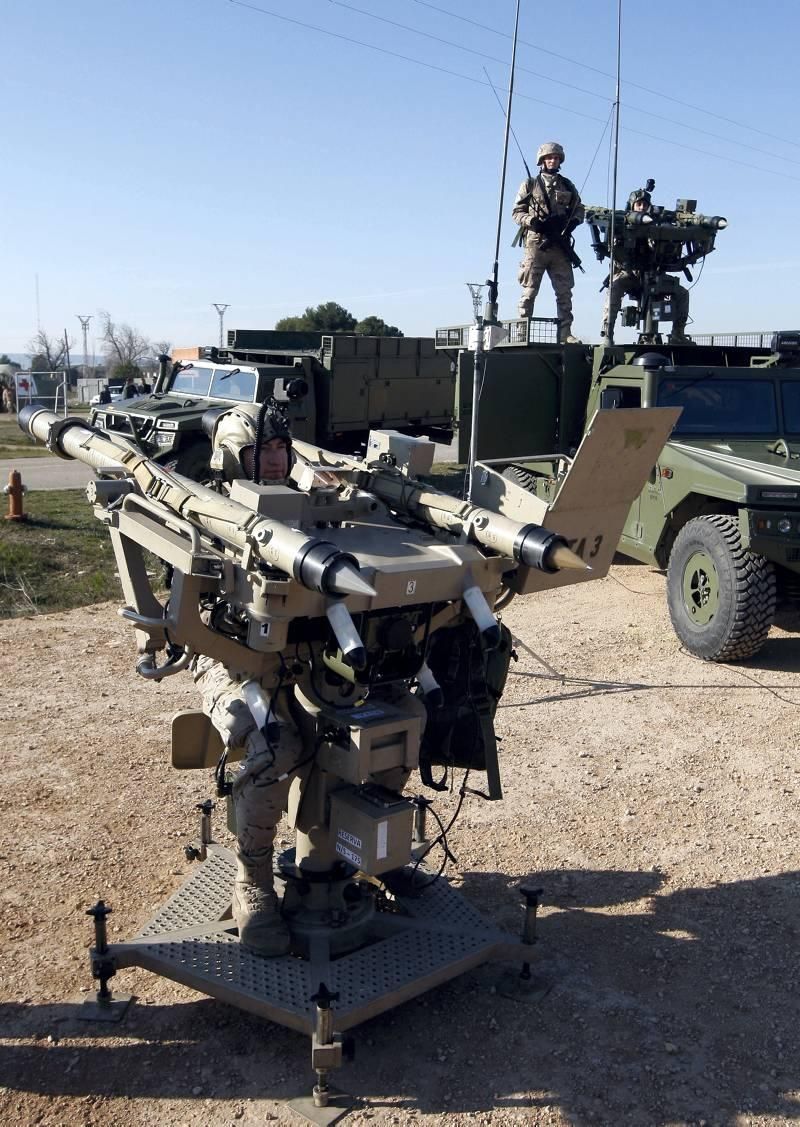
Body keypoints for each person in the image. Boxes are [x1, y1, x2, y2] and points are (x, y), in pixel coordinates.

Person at [191, 403, 301, 957]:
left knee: (391, 719)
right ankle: (253, 883)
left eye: (281, 449)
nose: (276, 461)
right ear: (235, 458)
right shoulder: (203, 516)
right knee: (272, 746)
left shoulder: (309, 511)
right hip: (227, 659)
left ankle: (376, 853)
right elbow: (194, 616)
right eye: (262, 451)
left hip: (306, 656)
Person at [512, 140, 585, 344]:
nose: (553, 160)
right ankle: (522, 332)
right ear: (542, 160)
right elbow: (517, 212)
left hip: (560, 245)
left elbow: (579, 208)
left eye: (556, 158)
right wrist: (532, 221)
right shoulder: (530, 184)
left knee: (564, 292)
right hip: (536, 245)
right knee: (529, 290)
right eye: (549, 157)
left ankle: (565, 333)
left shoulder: (567, 185)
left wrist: (573, 223)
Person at [601, 188, 691, 345]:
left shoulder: (657, 225)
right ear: (632, 206)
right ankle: (608, 333)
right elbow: (614, 249)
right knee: (614, 289)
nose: (642, 208)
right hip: (630, 275)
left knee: (682, 293)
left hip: (654, 274)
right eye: (639, 204)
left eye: (645, 205)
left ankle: (678, 334)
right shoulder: (622, 224)